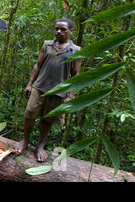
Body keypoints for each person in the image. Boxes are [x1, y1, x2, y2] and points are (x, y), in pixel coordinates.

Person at [15, 18, 81, 162]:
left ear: (70, 31)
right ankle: (25, 141)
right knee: (30, 113)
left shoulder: (75, 50)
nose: (59, 31)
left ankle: (40, 145)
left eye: (63, 29)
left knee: (48, 118)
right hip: (40, 86)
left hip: (59, 90)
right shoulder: (47, 45)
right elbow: (37, 65)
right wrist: (29, 84)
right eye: (57, 28)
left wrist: (70, 95)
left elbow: (75, 74)